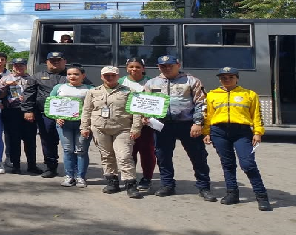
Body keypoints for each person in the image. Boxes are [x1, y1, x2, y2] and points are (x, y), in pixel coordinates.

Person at [143, 55, 215, 201]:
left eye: (170, 65)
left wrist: (198, 123)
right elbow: (146, 102)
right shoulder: (151, 83)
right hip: (162, 125)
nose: (167, 68)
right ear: (158, 67)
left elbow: (201, 103)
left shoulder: (191, 81)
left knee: (198, 156)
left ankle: (204, 187)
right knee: (162, 156)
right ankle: (167, 185)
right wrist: (146, 116)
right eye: (163, 66)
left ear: (178, 65)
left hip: (187, 124)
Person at [203, 67, 272, 211]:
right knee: (227, 164)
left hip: (242, 132)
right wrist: (206, 132)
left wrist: (258, 132)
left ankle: (261, 196)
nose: (227, 80)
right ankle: (232, 194)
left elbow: (256, 115)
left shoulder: (249, 94)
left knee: (248, 164)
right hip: (219, 132)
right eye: (223, 77)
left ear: (237, 78)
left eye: (230, 77)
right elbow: (208, 115)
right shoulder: (211, 95)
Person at [81, 66, 143, 199]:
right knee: (107, 156)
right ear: (102, 76)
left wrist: (136, 128)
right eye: (106, 75)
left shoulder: (129, 91)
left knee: (124, 156)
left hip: (122, 128)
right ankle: (112, 181)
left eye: (112, 75)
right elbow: (86, 111)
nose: (109, 78)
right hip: (100, 128)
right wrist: (84, 127)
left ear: (118, 76)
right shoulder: (93, 92)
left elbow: (136, 111)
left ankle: (130, 184)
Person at [21, 51, 66, 178]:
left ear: (64, 61)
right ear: (47, 62)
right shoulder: (37, 76)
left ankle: (74, 169)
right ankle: (51, 167)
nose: (55, 62)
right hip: (45, 114)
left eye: (58, 60)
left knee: (71, 143)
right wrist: (28, 110)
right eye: (52, 60)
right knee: (48, 141)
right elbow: (29, 95)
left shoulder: (72, 74)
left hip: (70, 116)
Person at [48, 64, 92, 188]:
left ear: (83, 76)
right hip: (63, 124)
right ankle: (69, 176)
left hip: (82, 125)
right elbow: (51, 103)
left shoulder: (89, 89)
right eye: (69, 74)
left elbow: (93, 108)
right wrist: (57, 117)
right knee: (68, 150)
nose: (72, 76)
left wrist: (87, 124)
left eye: (76, 74)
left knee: (81, 151)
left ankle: (80, 177)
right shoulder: (59, 87)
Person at [0, 58, 41, 174]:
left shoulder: (32, 79)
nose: (19, 68)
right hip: (12, 112)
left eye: (21, 65)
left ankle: (32, 165)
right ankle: (15, 165)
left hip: (28, 112)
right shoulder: (5, 79)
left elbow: (38, 95)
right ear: (13, 66)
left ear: (25, 66)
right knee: (13, 140)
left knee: (30, 140)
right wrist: (5, 86)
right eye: (16, 65)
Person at [119, 57, 156, 191]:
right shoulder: (121, 82)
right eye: (131, 67)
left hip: (145, 124)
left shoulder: (151, 82)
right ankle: (131, 178)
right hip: (126, 123)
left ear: (143, 69)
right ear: (127, 68)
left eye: (138, 67)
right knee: (129, 152)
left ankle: (147, 178)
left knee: (147, 152)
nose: (134, 69)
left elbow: (156, 102)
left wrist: (148, 116)